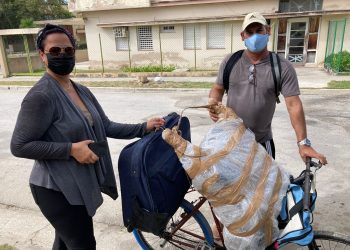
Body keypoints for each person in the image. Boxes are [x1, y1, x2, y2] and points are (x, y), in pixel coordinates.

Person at [10, 24, 165, 250]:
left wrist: (143, 127)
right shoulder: (41, 96)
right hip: (55, 190)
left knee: (65, 243)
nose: (62, 55)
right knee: (82, 244)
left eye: (68, 50)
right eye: (55, 51)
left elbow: (105, 125)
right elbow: (19, 145)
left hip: (77, 184)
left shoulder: (79, 89)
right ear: (42, 56)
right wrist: (70, 149)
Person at [208, 12, 327, 241]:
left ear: (268, 32)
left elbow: (293, 104)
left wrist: (303, 144)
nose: (255, 36)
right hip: (230, 143)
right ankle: (223, 229)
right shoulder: (230, 61)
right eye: (250, 32)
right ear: (242, 36)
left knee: (262, 193)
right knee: (224, 188)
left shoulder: (281, 66)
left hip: (261, 143)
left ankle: (257, 234)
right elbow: (217, 89)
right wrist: (214, 104)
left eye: (259, 30)